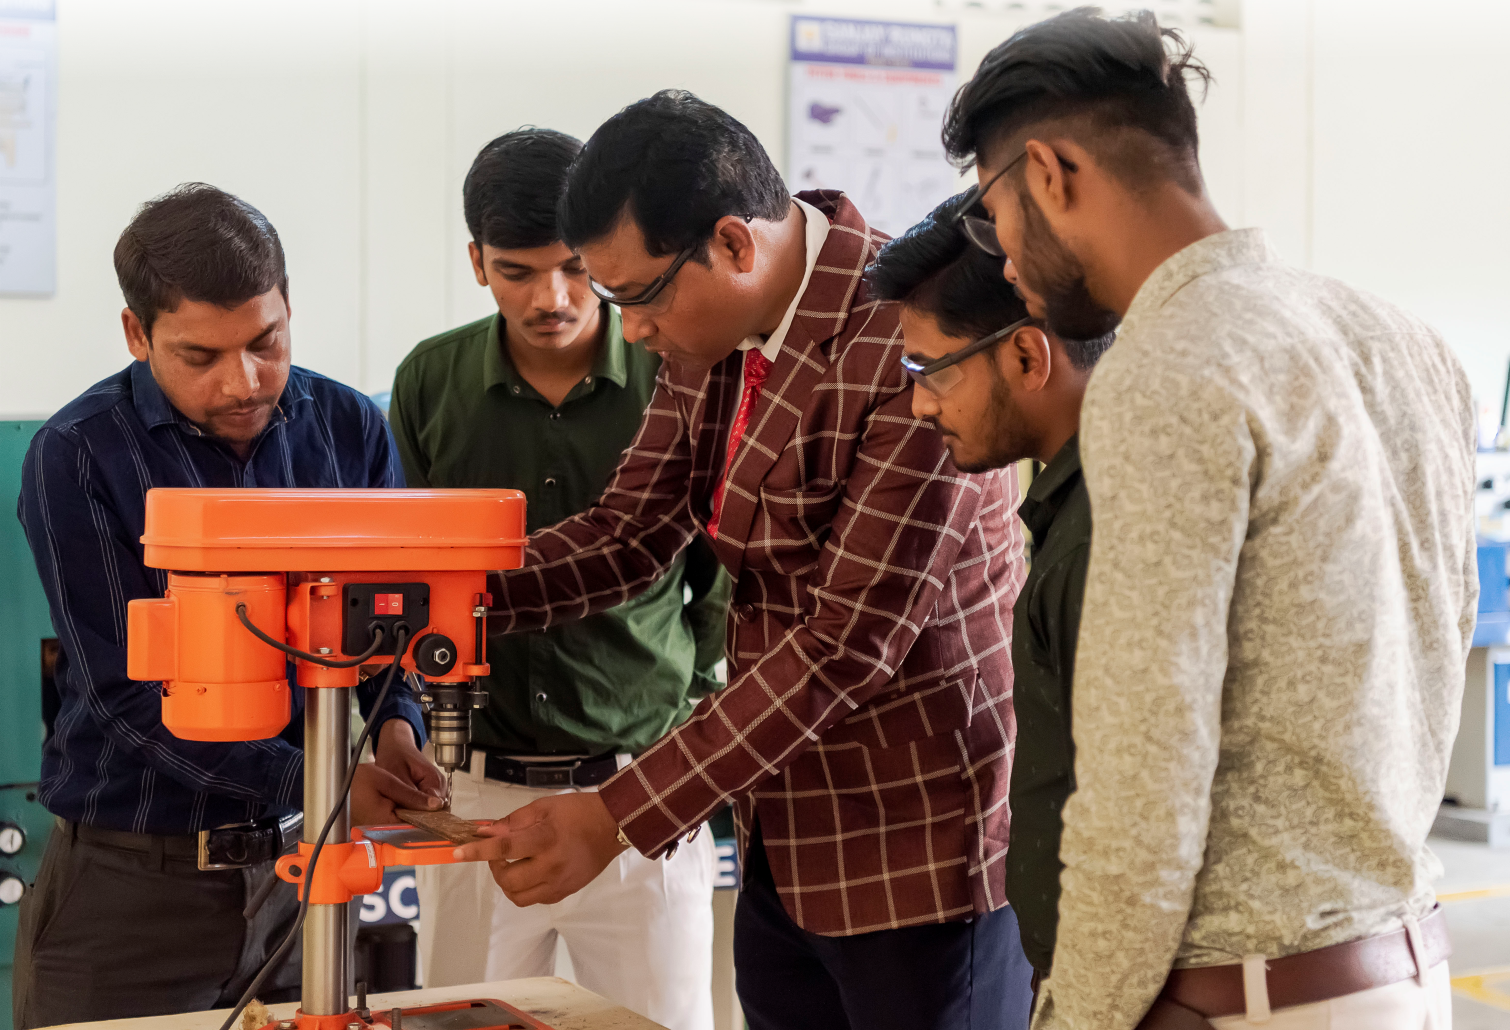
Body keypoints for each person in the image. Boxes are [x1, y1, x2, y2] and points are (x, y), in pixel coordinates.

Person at [454, 90, 1035, 1030]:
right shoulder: (714, 325)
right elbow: (629, 529)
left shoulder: (910, 339)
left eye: (638, 299)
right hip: (780, 832)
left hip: (917, 852)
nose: (630, 330)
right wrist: (441, 596)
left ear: (731, 243)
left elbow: (845, 643)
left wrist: (613, 815)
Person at [942, 10, 1475, 1030]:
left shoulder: (1170, 361)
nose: (1003, 258)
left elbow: (1143, 778)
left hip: (1239, 995)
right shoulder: (1398, 334)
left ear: (1050, 174)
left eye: (993, 216)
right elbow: (1438, 653)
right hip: (1398, 971)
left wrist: (1077, 1016)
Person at [12, 184, 446, 1028]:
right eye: (200, 356)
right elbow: (125, 693)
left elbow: (391, 624)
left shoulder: (351, 430)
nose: (243, 382)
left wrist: (397, 725)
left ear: (288, 308)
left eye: (265, 342)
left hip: (305, 879)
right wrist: (318, 783)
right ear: (138, 335)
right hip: (133, 893)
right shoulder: (77, 455)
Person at [389, 128, 729, 1029]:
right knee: (456, 1020)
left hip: (642, 792)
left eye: (577, 268)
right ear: (475, 263)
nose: (553, 298)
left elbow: (724, 578)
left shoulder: (680, 367)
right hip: (476, 796)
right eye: (518, 271)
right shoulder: (429, 381)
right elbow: (406, 581)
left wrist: (687, 722)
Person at [867, 190, 1113, 992]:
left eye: (930, 369)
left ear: (1028, 358)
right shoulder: (1063, 502)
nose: (918, 403)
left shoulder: (1106, 535)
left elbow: (1135, 814)